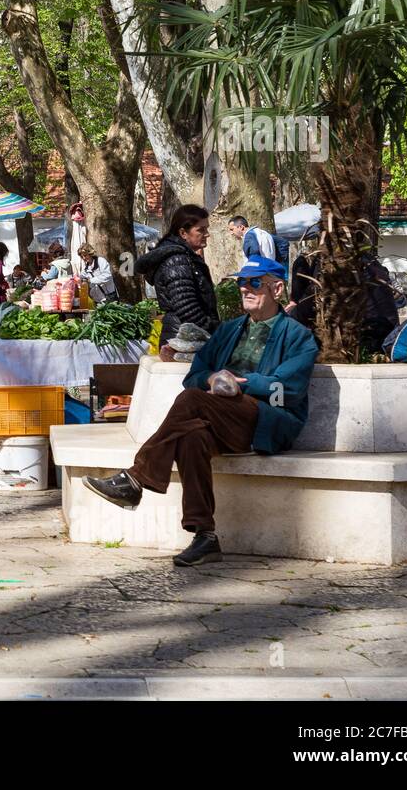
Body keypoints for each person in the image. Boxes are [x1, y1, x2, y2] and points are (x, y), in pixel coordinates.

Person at [82, 257, 318, 566]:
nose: (245, 288)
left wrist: (241, 385)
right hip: (220, 416)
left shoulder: (299, 336)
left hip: (266, 420)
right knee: (192, 437)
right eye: (241, 283)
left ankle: (137, 478)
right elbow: (194, 374)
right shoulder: (229, 330)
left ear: (276, 288)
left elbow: (288, 389)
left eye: (255, 282)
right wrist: (211, 379)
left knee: (193, 401)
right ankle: (205, 536)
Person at [136, 204, 220, 356]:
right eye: (201, 230)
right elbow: (187, 307)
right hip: (183, 340)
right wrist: (215, 330)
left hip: (188, 337)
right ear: (183, 233)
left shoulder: (184, 257)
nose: (206, 234)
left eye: (206, 229)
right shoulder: (176, 260)